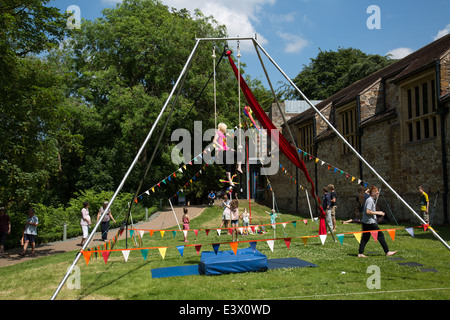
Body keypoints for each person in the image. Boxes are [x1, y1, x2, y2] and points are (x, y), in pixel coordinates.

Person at [358, 186, 397, 258]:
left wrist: (377, 211)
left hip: (366, 222)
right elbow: (368, 211)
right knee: (380, 235)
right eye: (377, 192)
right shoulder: (370, 200)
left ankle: (360, 253)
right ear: (373, 193)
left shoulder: (370, 200)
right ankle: (387, 252)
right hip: (370, 222)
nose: (378, 194)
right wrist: (379, 213)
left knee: (365, 237)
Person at [213, 123, 242, 187]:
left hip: (226, 150)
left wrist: (231, 149)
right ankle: (230, 181)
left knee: (239, 154)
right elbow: (214, 141)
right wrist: (219, 146)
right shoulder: (218, 133)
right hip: (222, 151)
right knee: (228, 165)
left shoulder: (223, 135)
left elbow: (225, 145)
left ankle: (239, 167)